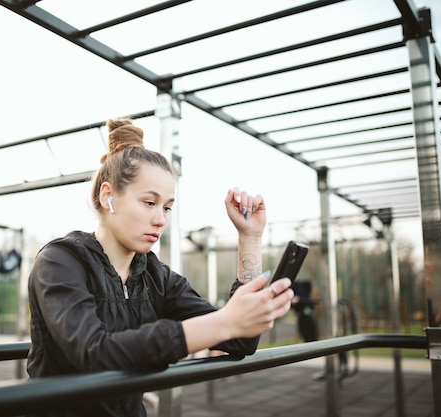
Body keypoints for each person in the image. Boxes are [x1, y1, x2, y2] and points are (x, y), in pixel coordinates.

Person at [26, 117, 295, 417]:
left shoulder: (156, 277)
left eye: (167, 207)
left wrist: (250, 238)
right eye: (149, 203)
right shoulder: (60, 261)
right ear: (107, 196)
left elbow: (240, 339)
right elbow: (93, 353)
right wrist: (222, 323)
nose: (161, 220)